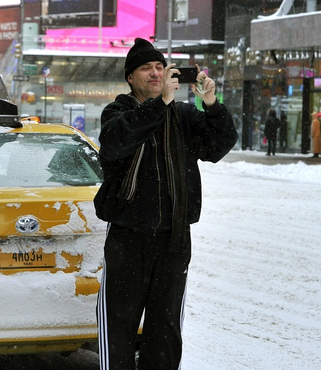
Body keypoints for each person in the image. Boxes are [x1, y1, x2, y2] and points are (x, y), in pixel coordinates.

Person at [95, 38, 237, 370]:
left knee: (165, 329)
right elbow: (117, 142)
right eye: (147, 68)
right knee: (119, 326)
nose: (156, 73)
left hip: (174, 239)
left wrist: (212, 103)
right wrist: (158, 106)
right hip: (128, 239)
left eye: (160, 67)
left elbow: (219, 144)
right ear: (130, 77)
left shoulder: (184, 115)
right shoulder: (118, 112)